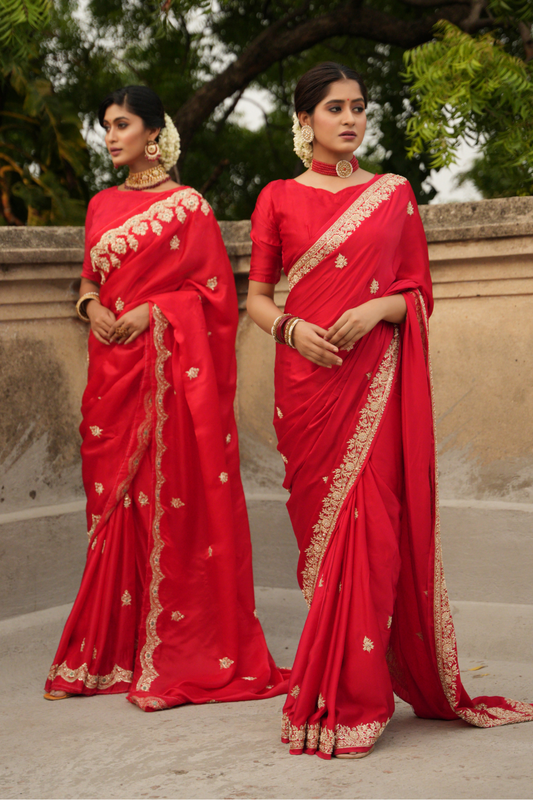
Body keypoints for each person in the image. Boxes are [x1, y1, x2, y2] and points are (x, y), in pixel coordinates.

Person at [246, 62, 533, 759]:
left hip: (375, 382)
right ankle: (329, 687)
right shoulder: (277, 198)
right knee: (323, 537)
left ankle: (357, 697)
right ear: (304, 119)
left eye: (359, 108)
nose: (350, 119)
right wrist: (289, 329)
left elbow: (419, 295)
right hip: (309, 384)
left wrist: (381, 305)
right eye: (334, 108)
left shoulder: (391, 194)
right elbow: (254, 297)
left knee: (372, 531)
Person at [44, 85, 288, 710]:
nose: (110, 136)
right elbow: (90, 277)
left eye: (121, 125)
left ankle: (177, 642)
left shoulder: (188, 207)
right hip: (112, 371)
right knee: (112, 504)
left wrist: (155, 312)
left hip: (166, 374)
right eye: (105, 126)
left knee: (168, 497)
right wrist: (91, 306)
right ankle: (112, 650)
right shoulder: (101, 203)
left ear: (153, 133)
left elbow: (213, 298)